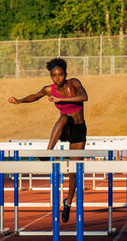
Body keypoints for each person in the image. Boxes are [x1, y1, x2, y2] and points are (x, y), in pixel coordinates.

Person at [8, 58, 88, 222]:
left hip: (79, 130)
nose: (57, 78)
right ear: (50, 76)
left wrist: (62, 100)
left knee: (74, 172)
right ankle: (48, 152)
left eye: (61, 75)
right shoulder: (49, 90)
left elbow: (84, 97)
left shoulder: (73, 83)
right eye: (54, 75)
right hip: (65, 129)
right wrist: (20, 101)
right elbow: (35, 96)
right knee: (64, 117)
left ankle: (67, 203)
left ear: (65, 75)